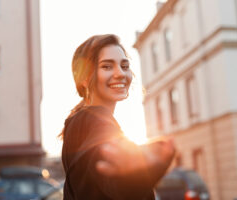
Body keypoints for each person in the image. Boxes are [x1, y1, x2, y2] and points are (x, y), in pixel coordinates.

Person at [60, 34, 175, 200]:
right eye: (107, 67)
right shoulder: (96, 122)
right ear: (84, 78)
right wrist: (139, 172)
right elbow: (115, 184)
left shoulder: (79, 121)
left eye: (124, 66)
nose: (120, 73)